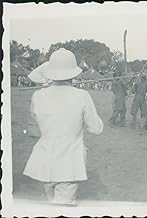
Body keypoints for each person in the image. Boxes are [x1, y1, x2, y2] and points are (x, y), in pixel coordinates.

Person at [23, 48, 103, 206]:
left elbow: (36, 120)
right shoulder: (82, 95)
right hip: (69, 161)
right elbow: (96, 129)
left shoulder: (38, 96)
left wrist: (50, 71)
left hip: (44, 160)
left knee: (50, 205)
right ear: (74, 73)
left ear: (51, 71)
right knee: (62, 208)